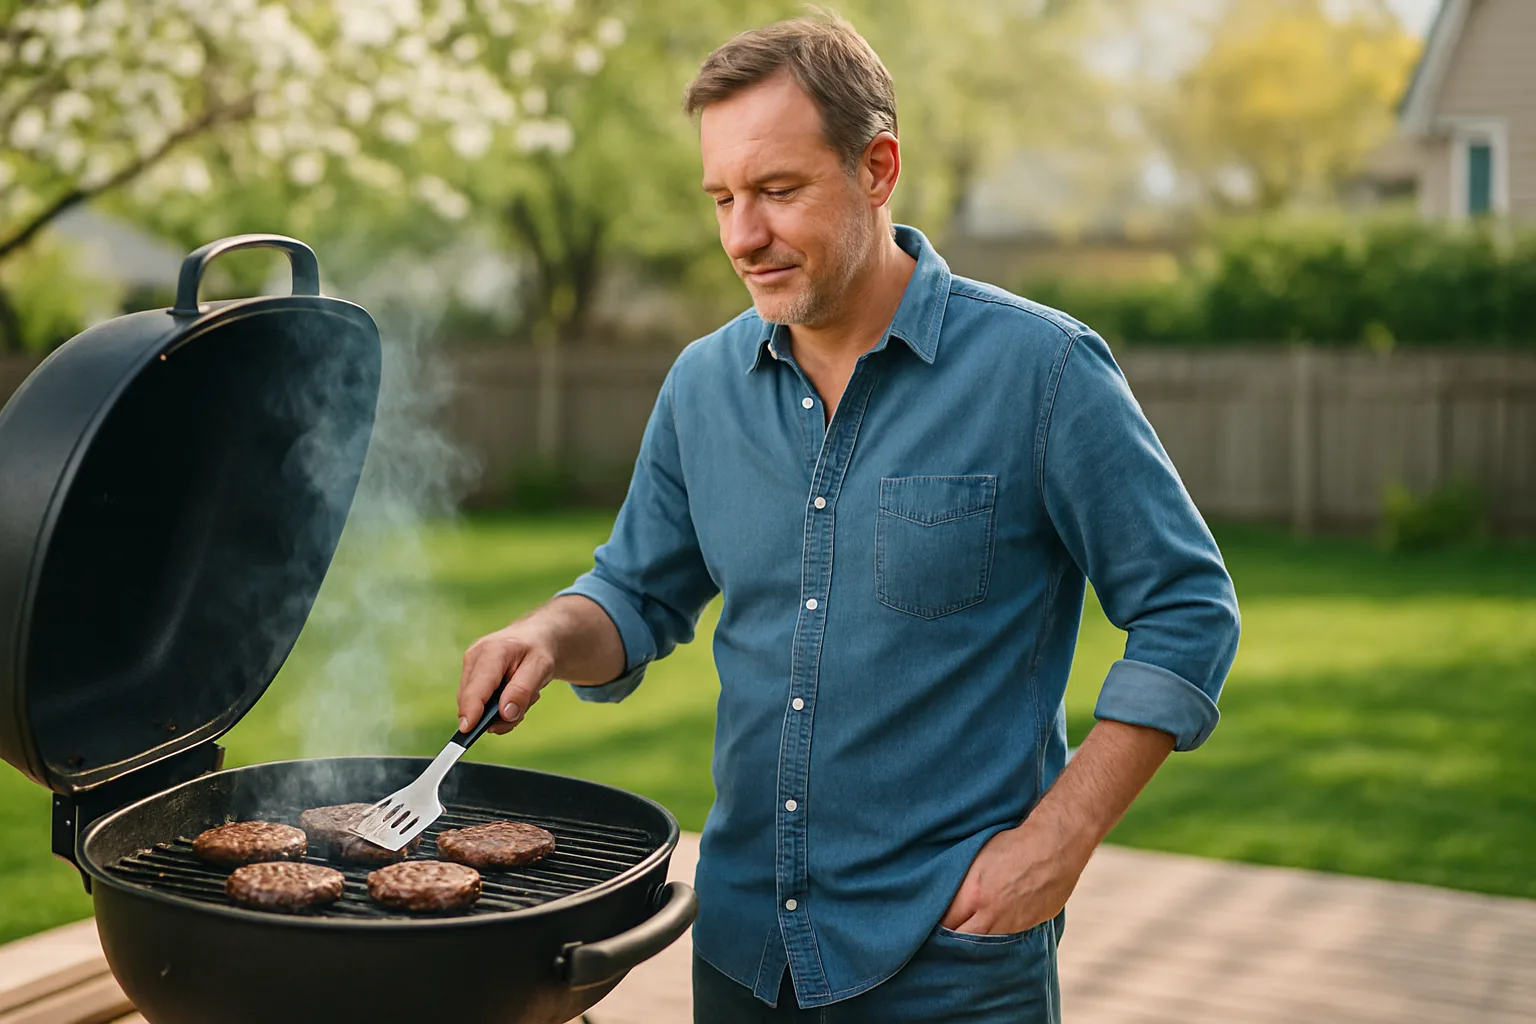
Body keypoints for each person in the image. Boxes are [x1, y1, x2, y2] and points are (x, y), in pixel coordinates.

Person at [457, 12, 1240, 1023]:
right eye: (724, 198)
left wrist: (1056, 845)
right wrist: (550, 633)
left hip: (952, 960)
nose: (743, 235)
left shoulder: (1041, 372)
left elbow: (1188, 609)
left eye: (779, 191)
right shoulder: (702, 385)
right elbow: (636, 591)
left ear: (877, 169)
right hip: (742, 952)